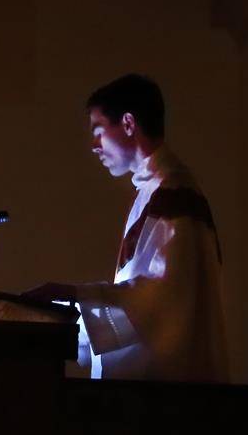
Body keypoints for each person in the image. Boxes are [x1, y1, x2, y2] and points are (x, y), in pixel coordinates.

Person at [25, 74, 227, 382]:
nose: (94, 145)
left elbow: (161, 297)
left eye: (98, 131)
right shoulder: (152, 191)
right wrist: (65, 316)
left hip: (167, 392)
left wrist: (74, 295)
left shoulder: (174, 192)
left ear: (129, 123)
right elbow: (143, 299)